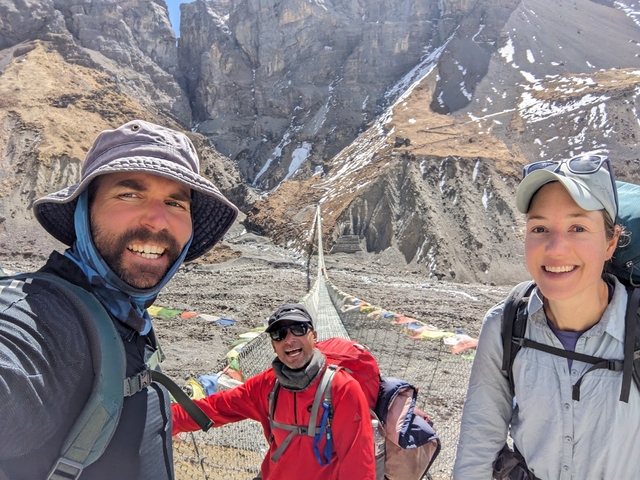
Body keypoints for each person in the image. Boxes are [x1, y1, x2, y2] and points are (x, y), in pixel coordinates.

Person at [0, 120, 238, 479]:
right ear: (85, 209)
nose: (158, 221)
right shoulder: (39, 316)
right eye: (129, 194)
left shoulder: (126, 317)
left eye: (176, 202)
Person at [453, 154, 640, 479]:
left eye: (577, 227)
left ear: (611, 243)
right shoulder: (505, 324)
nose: (555, 249)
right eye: (539, 227)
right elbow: (477, 448)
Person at [172, 303, 376, 479]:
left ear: (313, 336)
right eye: (279, 334)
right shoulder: (267, 385)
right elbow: (217, 408)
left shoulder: (342, 388)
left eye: (298, 329)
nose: (289, 339)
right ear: (273, 345)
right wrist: (165, 419)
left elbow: (357, 464)